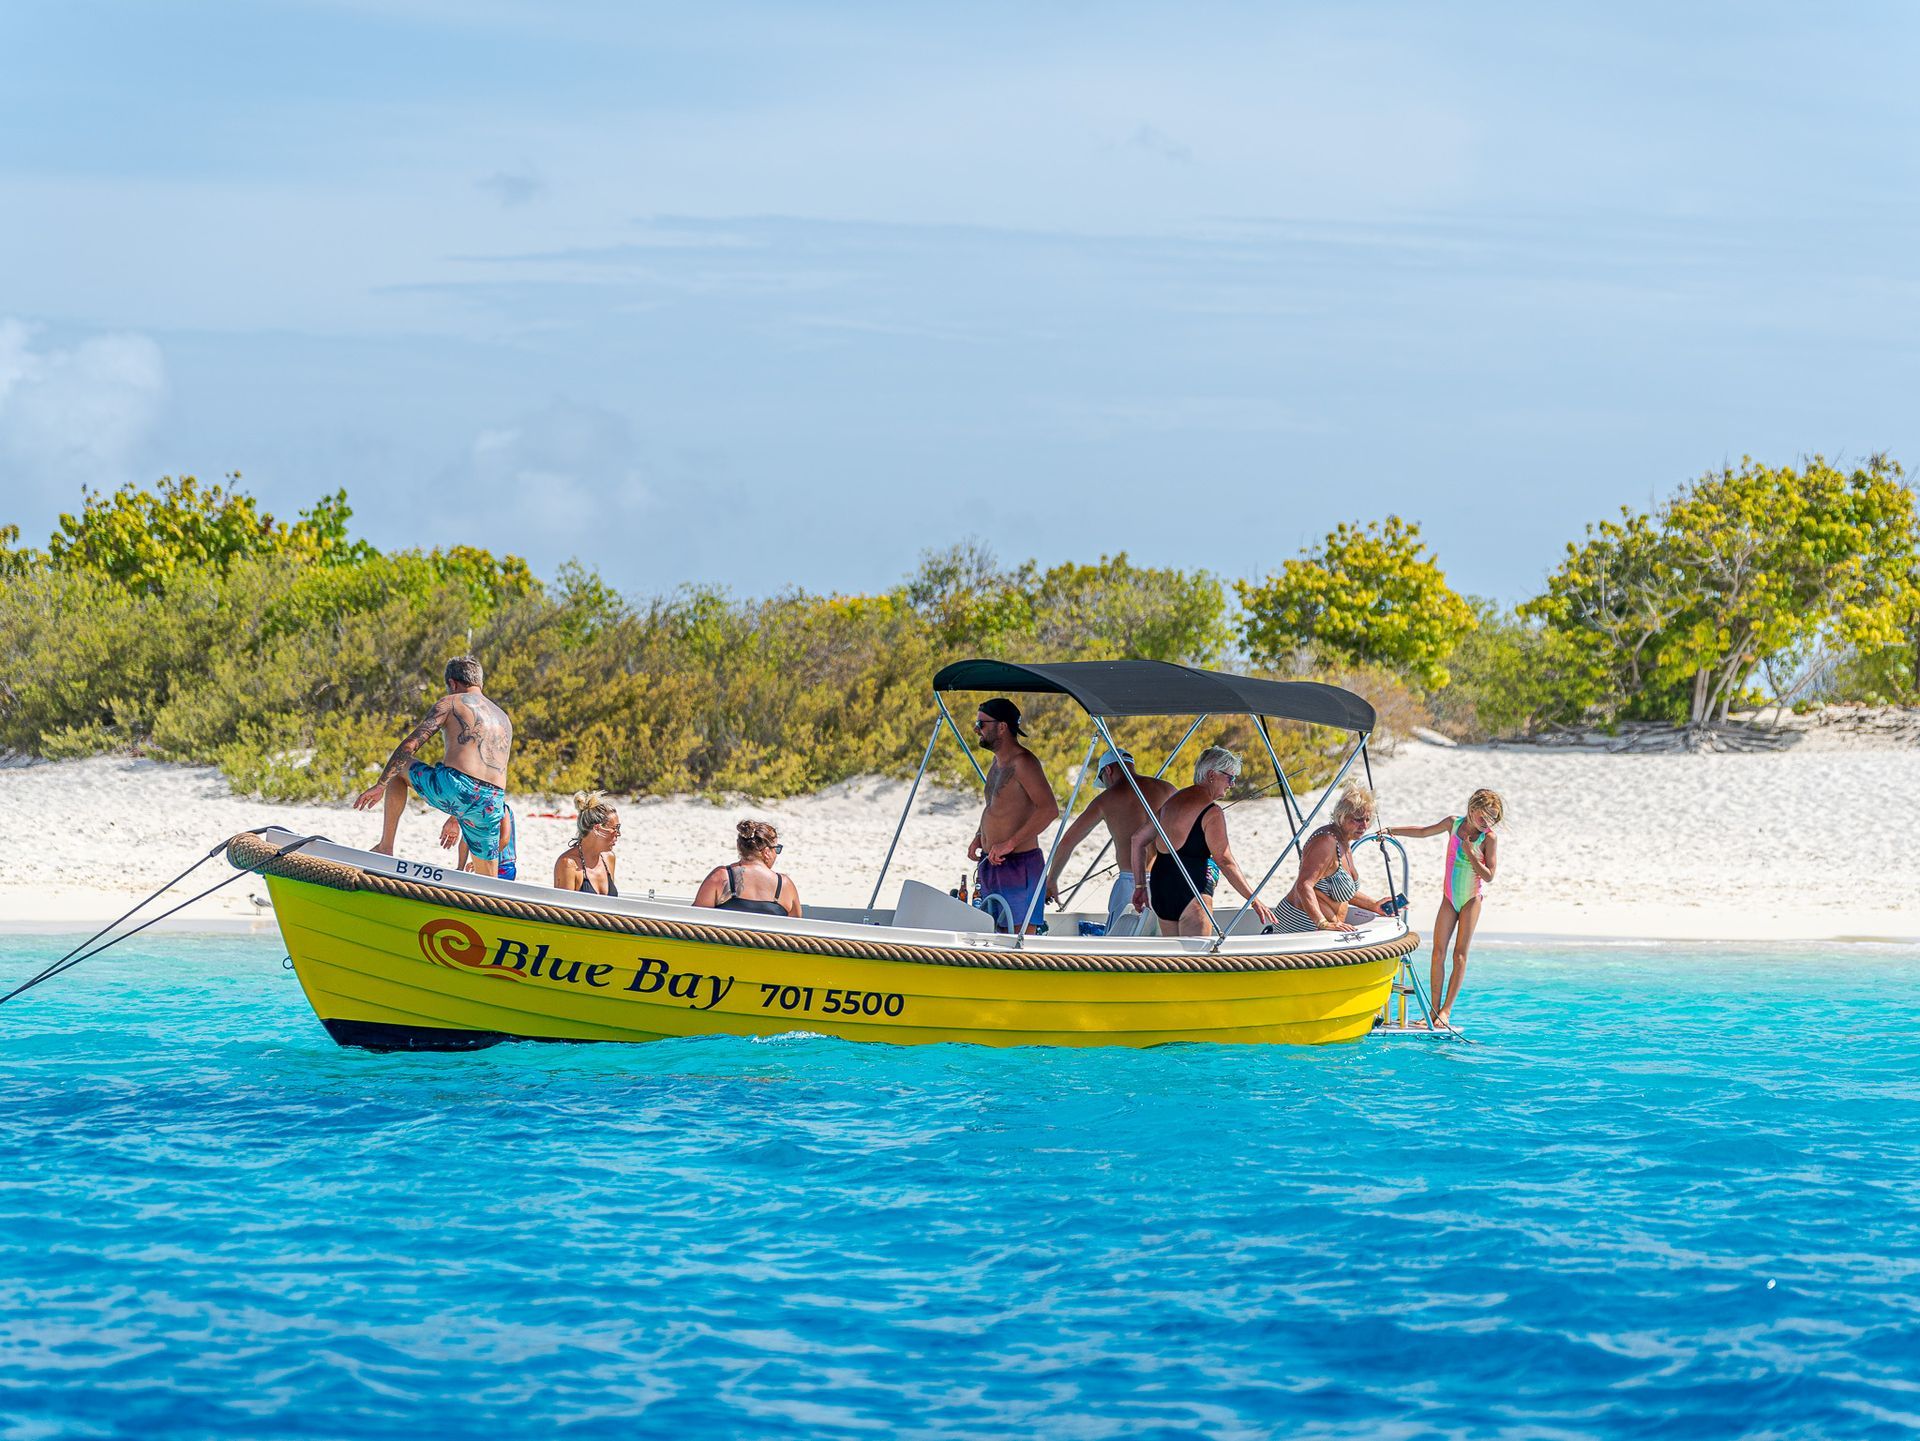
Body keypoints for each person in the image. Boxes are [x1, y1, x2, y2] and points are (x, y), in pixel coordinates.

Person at [353, 656, 514, 877]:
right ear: (480, 683)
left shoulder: (452, 702)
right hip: (491, 801)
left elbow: (410, 744)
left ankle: (385, 847)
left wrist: (381, 785)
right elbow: (481, 777)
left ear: (453, 683)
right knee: (488, 880)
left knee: (400, 768)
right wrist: (458, 816)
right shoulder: (503, 717)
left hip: (455, 786)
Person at [1129, 747, 1278, 936]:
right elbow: (1224, 860)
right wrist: (1253, 899)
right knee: (1197, 953)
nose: (1232, 784)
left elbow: (1137, 840)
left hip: (1161, 889)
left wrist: (1140, 886)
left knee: (1174, 954)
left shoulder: (1172, 802)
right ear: (1211, 775)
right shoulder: (1212, 812)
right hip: (1192, 890)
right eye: (1230, 778)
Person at [1387, 788, 1504, 1028]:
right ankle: (1433, 1011)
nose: (1487, 822)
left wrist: (1471, 854)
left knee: (1459, 955)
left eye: (1492, 819)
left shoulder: (1488, 839)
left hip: (1471, 900)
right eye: (1483, 816)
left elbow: (1489, 875)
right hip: (1449, 899)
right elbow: (1423, 831)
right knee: (1437, 952)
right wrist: (1391, 831)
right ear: (1472, 809)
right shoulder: (1453, 824)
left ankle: (1446, 1011)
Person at [1043, 746, 1176, 931]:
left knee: (1121, 943)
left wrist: (1052, 880)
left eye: (1102, 780)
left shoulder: (1106, 799)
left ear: (1108, 770)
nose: (1105, 786)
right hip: (1167, 880)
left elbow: (1068, 842)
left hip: (1130, 885)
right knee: (1164, 942)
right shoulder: (1167, 789)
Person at [967, 698, 1060, 934]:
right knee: (992, 935)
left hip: (1019, 865)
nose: (977, 729)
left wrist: (1010, 843)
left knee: (1018, 940)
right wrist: (979, 836)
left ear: (1002, 727)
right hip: (991, 863)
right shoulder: (997, 762)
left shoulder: (1024, 763)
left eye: (981, 723)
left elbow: (1049, 809)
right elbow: (994, 806)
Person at [1269, 785, 1396, 934]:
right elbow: (1304, 885)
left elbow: (1340, 892)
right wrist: (1322, 923)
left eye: (1367, 819)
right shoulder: (1326, 841)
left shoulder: (1344, 840)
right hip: (1299, 927)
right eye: (1358, 819)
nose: (1364, 825)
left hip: (1324, 929)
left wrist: (1373, 905)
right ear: (1342, 816)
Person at [694, 819, 802, 918]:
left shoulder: (720, 876)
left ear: (739, 846)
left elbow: (695, 918)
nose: (777, 854)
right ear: (766, 852)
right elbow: (796, 926)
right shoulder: (785, 885)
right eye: (777, 849)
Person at [553, 792, 621, 896]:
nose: (618, 834)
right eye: (615, 828)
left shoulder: (609, 858)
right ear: (597, 829)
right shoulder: (568, 864)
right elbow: (562, 905)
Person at [442, 806, 517, 881]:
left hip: (504, 865)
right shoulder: (475, 810)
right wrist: (460, 868)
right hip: (486, 862)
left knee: (488, 885)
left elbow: (504, 840)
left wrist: (483, 859)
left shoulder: (503, 808)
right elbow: (465, 839)